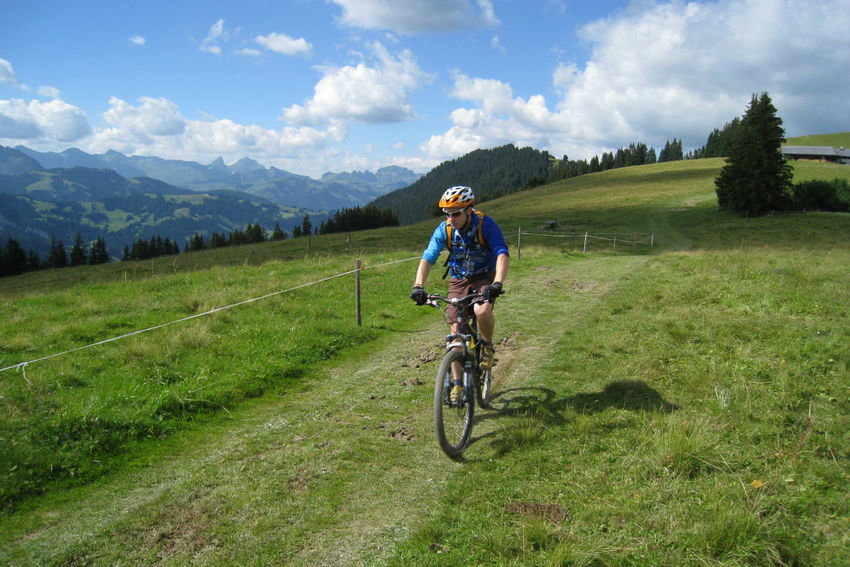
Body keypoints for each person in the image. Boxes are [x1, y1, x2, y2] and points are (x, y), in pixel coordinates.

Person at [410, 185, 510, 403]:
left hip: (485, 275)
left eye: (456, 213)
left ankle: (487, 347)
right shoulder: (444, 230)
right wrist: (418, 285)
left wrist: (497, 283)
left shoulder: (486, 225)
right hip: (459, 279)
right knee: (455, 334)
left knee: (482, 310)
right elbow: (428, 257)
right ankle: (457, 386)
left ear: (468, 210)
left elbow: (502, 253)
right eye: (447, 214)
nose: (451, 218)